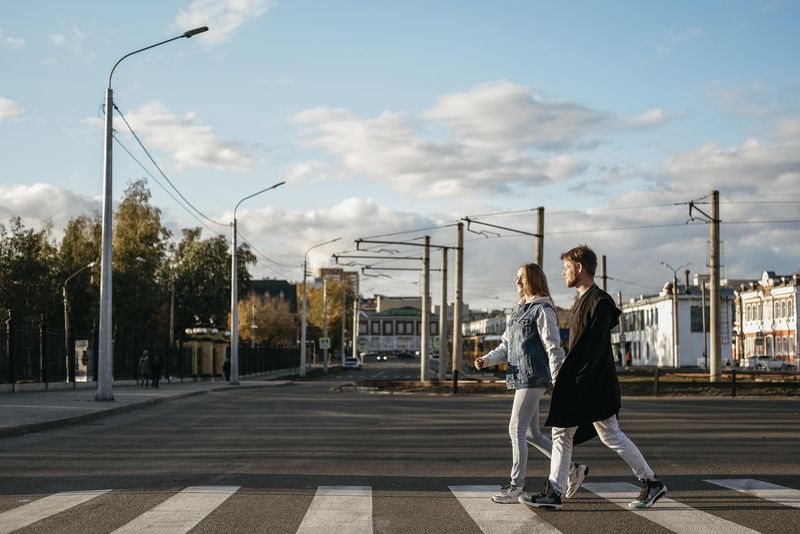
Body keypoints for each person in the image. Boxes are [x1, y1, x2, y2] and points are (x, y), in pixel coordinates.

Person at [520, 245, 666, 511]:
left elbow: (594, 349)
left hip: (593, 384)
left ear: (579, 268)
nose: (563, 273)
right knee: (600, 434)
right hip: (588, 383)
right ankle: (650, 482)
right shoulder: (584, 300)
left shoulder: (599, 302)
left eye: (566, 268)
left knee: (570, 432)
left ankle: (555, 491)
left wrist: (576, 381)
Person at [474, 262, 588, 504]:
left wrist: (559, 381)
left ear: (533, 280)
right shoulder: (518, 311)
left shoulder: (543, 309)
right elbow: (505, 347)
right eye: (516, 277)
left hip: (534, 377)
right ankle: (572, 470)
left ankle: (516, 486)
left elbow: (553, 348)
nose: (517, 282)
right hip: (520, 377)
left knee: (515, 429)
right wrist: (486, 359)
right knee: (530, 433)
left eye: (521, 278)